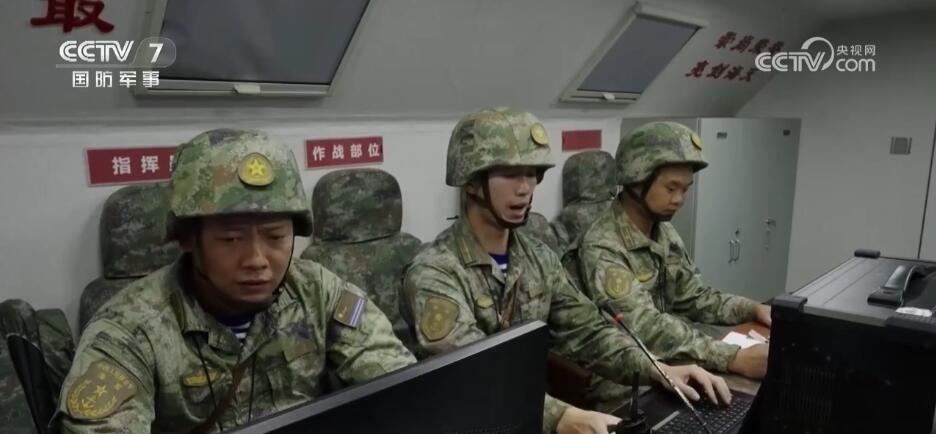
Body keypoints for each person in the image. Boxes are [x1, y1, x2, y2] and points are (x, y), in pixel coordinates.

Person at [55, 128, 415, 433]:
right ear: (188, 239)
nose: (257, 260)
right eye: (231, 239)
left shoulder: (318, 291)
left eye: (276, 237)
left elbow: (400, 381)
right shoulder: (129, 331)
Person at [401, 108, 731, 434]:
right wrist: (561, 416)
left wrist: (656, 369)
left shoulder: (538, 258)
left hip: (529, 415)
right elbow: (474, 374)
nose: (525, 188)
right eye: (510, 174)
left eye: (532, 174)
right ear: (471, 182)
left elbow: (589, 332)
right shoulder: (434, 273)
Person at [570, 121, 770, 380]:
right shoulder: (602, 246)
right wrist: (731, 357)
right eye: (671, 188)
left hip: (672, 360)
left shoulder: (663, 231)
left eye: (685, 189)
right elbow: (645, 327)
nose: (679, 199)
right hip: (627, 380)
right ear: (636, 180)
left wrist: (752, 309)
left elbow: (694, 296)